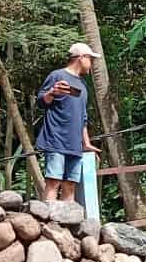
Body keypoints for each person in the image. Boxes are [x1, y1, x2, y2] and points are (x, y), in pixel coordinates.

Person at [35, 43, 100, 201]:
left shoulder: (83, 85)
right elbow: (40, 101)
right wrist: (52, 92)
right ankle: (47, 221)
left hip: (75, 144)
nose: (91, 63)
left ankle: (66, 224)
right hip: (56, 139)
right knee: (53, 182)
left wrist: (86, 143)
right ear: (81, 58)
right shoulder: (57, 76)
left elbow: (83, 116)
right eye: (90, 59)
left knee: (70, 185)